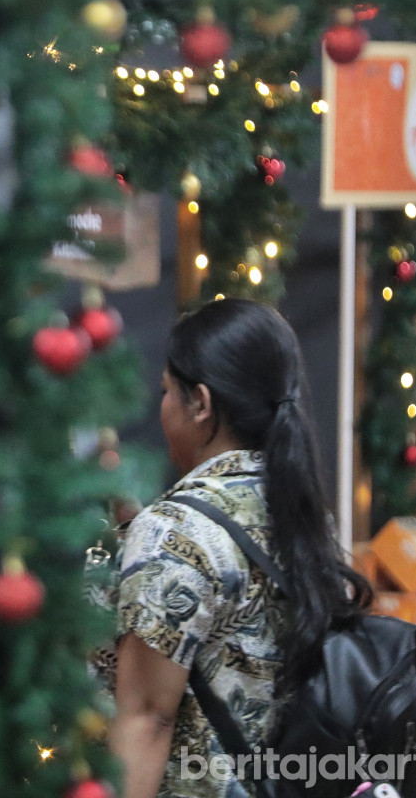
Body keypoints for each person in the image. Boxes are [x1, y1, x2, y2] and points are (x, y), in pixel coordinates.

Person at [106, 298, 370, 798]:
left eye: (166, 392)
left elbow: (146, 721)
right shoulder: (305, 515)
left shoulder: (176, 530)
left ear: (200, 403)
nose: (160, 407)